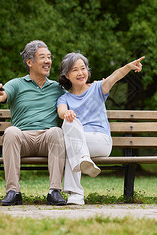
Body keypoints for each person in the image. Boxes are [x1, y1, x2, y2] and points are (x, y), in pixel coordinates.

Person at [57, 52, 144, 205]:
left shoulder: (97, 88)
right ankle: (82, 162)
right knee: (69, 124)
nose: (80, 73)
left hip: (100, 141)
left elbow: (114, 77)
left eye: (83, 68)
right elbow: (61, 111)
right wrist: (67, 113)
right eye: (75, 70)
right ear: (67, 75)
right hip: (78, 142)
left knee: (72, 144)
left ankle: (76, 192)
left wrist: (128, 67)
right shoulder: (64, 98)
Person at [0, 40, 67, 206]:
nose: (48, 61)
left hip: (47, 138)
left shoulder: (57, 88)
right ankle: (13, 191)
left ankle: (54, 192)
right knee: (10, 131)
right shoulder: (16, 84)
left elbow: (78, 98)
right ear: (29, 62)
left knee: (57, 131)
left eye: (49, 57)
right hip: (22, 139)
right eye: (42, 57)